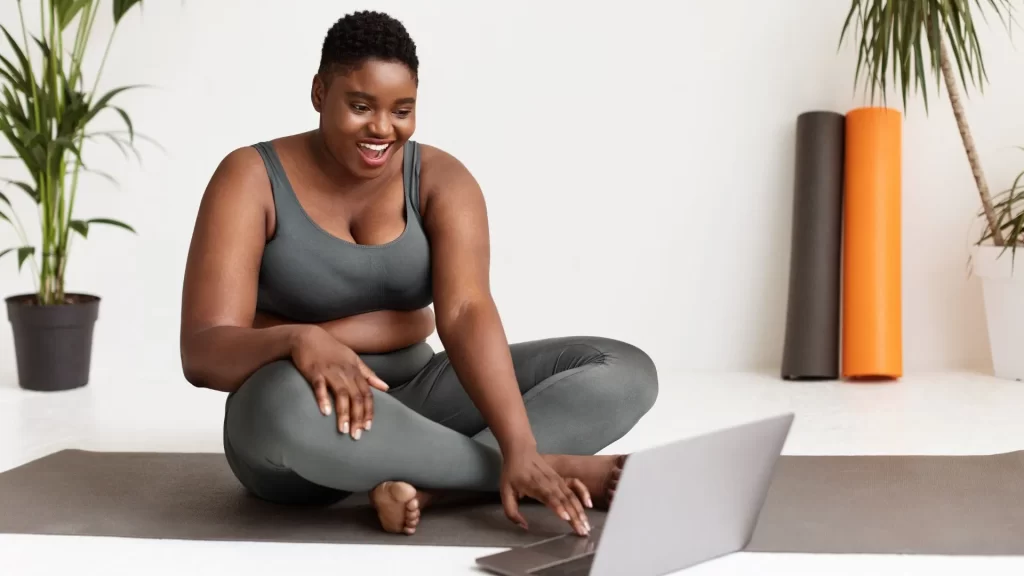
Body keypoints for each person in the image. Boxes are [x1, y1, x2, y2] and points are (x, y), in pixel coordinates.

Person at [179, 10, 658, 538]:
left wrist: (520, 439)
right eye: (360, 107)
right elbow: (203, 353)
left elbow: (464, 312)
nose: (383, 129)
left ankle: (443, 481)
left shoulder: (439, 179)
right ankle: (540, 468)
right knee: (276, 405)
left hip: (422, 396)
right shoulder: (250, 179)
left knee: (622, 369)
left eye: (401, 110)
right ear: (319, 92)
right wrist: (299, 340)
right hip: (304, 414)